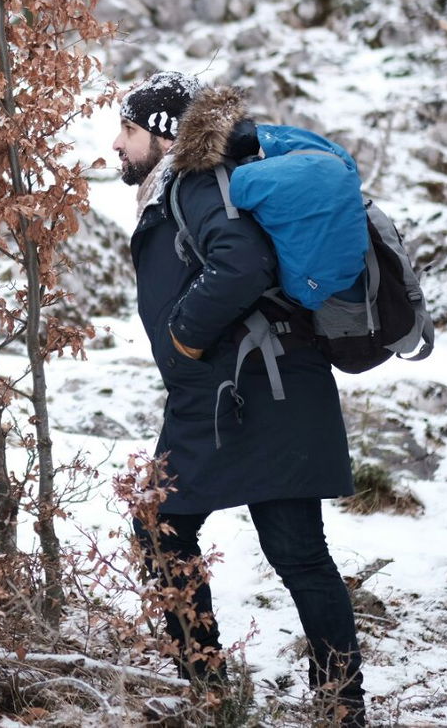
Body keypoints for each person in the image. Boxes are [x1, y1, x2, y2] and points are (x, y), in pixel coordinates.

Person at [114, 72, 368, 726]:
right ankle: (333, 706)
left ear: (165, 134)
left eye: (129, 129)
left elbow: (242, 264)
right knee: (293, 550)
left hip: (249, 391)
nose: (118, 144)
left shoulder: (196, 186)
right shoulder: (193, 186)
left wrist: (186, 335)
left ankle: (210, 688)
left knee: (165, 527)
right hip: (259, 389)